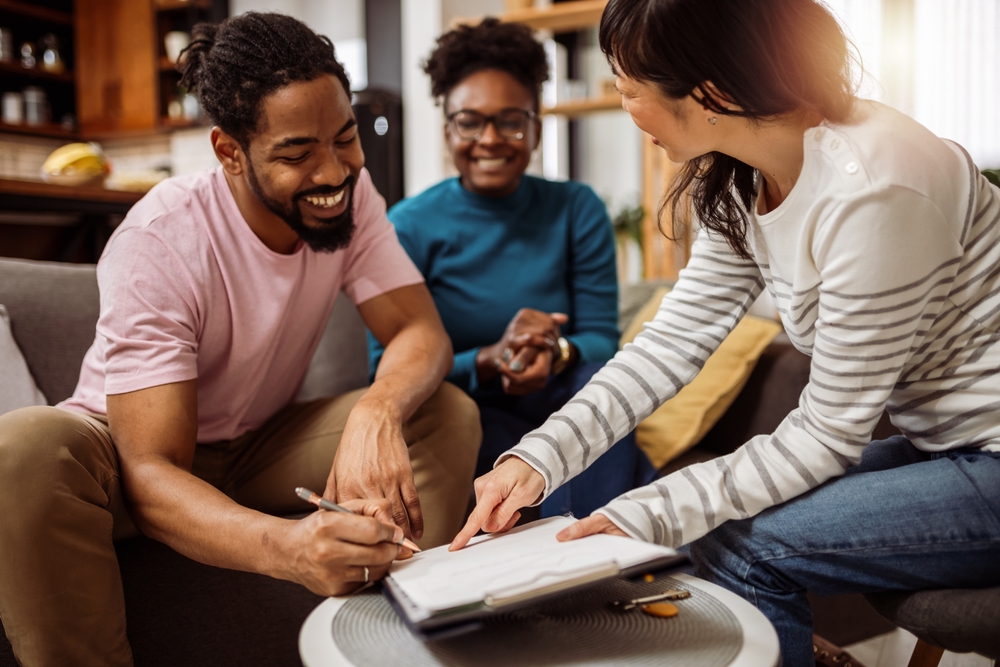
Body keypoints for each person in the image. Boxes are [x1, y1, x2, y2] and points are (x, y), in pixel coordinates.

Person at [451, 0, 1000, 664]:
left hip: (990, 459)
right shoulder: (741, 175)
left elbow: (827, 433)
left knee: (740, 541)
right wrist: (535, 459)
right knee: (714, 523)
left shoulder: (878, 190)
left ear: (709, 90)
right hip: (946, 447)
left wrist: (648, 508)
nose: (624, 105)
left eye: (628, 87)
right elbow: (670, 343)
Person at [0, 13, 481, 667]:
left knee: (440, 411)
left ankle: (388, 644)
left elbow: (419, 330)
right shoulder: (162, 238)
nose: (335, 171)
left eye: (346, 137)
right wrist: (289, 548)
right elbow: (152, 470)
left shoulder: (350, 193)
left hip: (256, 444)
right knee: (22, 446)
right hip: (127, 458)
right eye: (296, 153)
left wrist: (378, 409)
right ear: (229, 152)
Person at [367, 18, 654, 520]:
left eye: (511, 121)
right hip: (470, 408)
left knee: (601, 383)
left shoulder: (576, 208)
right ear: (447, 129)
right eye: (470, 121)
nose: (491, 139)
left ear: (537, 127)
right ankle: (597, 552)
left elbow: (600, 339)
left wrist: (554, 350)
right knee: (519, 452)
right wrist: (489, 360)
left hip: (564, 395)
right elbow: (381, 368)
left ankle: (585, 566)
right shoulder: (408, 225)